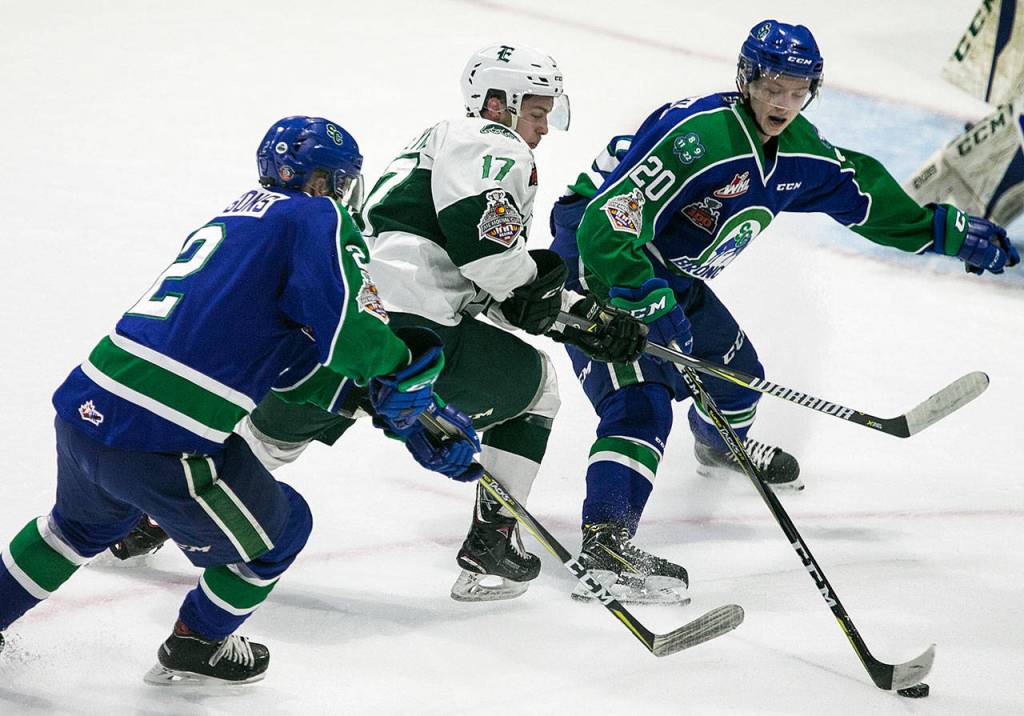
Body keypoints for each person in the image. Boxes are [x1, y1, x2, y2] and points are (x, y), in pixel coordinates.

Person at [548, 20, 1020, 603]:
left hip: (664, 269)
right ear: (747, 78)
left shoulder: (797, 150)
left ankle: (720, 445)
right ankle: (606, 546)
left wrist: (941, 232)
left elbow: (860, 190)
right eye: (773, 85)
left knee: (741, 377)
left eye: (799, 90)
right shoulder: (702, 136)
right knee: (640, 402)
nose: (784, 102)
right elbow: (605, 221)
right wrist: (640, 295)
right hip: (599, 259)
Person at [0, 116, 481, 684]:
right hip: (159, 441)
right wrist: (407, 374)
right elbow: (350, 335)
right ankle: (197, 643)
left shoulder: (235, 218)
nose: (341, 194)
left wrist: (380, 404)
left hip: (86, 404)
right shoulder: (314, 216)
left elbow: (285, 363)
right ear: (321, 181)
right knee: (282, 531)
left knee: (73, 531)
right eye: (338, 181)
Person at [159, 44, 645, 604]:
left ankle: (143, 520)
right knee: (537, 386)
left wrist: (568, 314)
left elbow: (466, 270)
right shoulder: (491, 141)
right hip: (417, 333)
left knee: (265, 443)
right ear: (496, 103)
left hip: (344, 325)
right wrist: (561, 304)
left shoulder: (433, 147)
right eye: (535, 112)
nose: (541, 128)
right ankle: (492, 546)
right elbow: (487, 255)